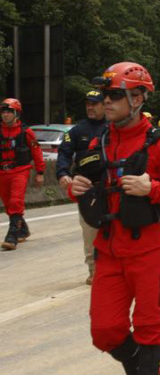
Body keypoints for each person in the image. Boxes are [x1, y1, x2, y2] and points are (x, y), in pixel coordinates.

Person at [68, 62, 160, 375]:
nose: (104, 101)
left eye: (113, 95)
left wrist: (152, 188)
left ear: (137, 98)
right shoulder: (101, 141)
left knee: (149, 324)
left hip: (149, 249)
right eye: (103, 95)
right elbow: (91, 185)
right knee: (104, 331)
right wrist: (77, 187)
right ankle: (147, 363)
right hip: (109, 249)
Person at [56, 90, 106, 282]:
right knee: (89, 231)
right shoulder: (77, 130)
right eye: (88, 104)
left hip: (110, 185)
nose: (90, 107)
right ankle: (94, 271)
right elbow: (64, 153)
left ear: (105, 104)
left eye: (94, 103)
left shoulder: (113, 127)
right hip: (86, 188)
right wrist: (62, 173)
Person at [0, 98, 45, 251]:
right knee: (8, 204)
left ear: (16, 114)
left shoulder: (26, 132)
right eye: (3, 112)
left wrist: (40, 172)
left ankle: (12, 236)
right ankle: (23, 229)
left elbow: (36, 152)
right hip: (2, 172)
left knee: (15, 201)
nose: (5, 115)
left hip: (20, 171)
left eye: (9, 112)